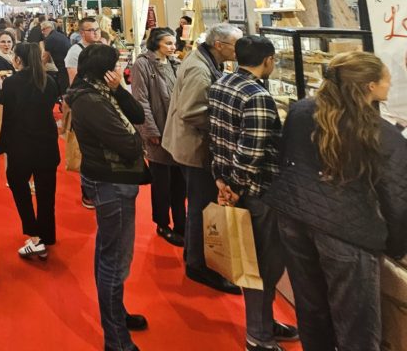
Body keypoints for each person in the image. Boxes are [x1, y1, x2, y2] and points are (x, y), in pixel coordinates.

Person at [265, 52, 407, 351]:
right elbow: (396, 197)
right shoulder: (380, 133)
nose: (390, 85)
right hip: (346, 232)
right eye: (386, 80)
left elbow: (286, 158)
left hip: (293, 218)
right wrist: (395, 245)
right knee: (356, 324)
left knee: (311, 308)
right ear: (370, 86)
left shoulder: (301, 111)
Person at [209, 35, 298, 351]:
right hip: (258, 191)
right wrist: (235, 187)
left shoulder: (221, 83)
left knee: (253, 261)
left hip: (232, 184)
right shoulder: (257, 96)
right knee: (263, 265)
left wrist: (222, 180)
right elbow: (250, 153)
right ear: (269, 60)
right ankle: (258, 336)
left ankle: (264, 324)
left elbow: (217, 137)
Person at [66, 44, 150, 351]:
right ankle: (116, 340)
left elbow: (137, 115)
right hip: (111, 181)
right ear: (104, 70)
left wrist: (120, 90)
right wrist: (138, 141)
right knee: (114, 260)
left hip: (114, 179)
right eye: (115, 65)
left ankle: (117, 315)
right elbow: (129, 144)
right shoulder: (90, 99)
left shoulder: (102, 92)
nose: (119, 69)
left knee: (110, 253)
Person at [162, 22, 243, 294]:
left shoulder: (204, 60)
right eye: (235, 45)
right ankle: (198, 265)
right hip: (194, 147)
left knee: (198, 204)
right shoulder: (199, 68)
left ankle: (194, 255)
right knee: (201, 205)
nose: (238, 50)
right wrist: (224, 124)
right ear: (219, 45)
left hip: (190, 144)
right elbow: (192, 111)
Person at [0, 41, 60, 259]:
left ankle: (34, 234)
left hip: (20, 144)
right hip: (46, 143)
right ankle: (46, 235)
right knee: (46, 193)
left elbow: (6, 113)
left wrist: (2, 144)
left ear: (18, 59)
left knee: (18, 184)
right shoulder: (49, 81)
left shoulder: (12, 83)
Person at [131, 27, 185, 247]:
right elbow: (141, 100)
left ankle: (182, 222)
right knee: (162, 182)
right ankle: (162, 223)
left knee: (179, 182)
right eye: (168, 43)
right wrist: (150, 130)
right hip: (159, 131)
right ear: (156, 43)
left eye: (174, 43)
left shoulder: (174, 63)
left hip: (177, 131)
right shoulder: (142, 64)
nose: (173, 47)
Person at [66, 16, 106, 209]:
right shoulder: (75, 52)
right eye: (91, 30)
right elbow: (75, 82)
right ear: (82, 33)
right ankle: (88, 193)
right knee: (88, 152)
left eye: (97, 29)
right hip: (85, 106)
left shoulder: (102, 48)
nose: (96, 33)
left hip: (104, 105)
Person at [40, 20, 71, 94]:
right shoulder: (60, 35)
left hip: (63, 67)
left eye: (43, 30)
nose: (42, 32)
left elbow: (45, 58)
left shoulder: (49, 39)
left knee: (64, 91)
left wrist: (39, 69)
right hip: (69, 64)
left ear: (48, 28)